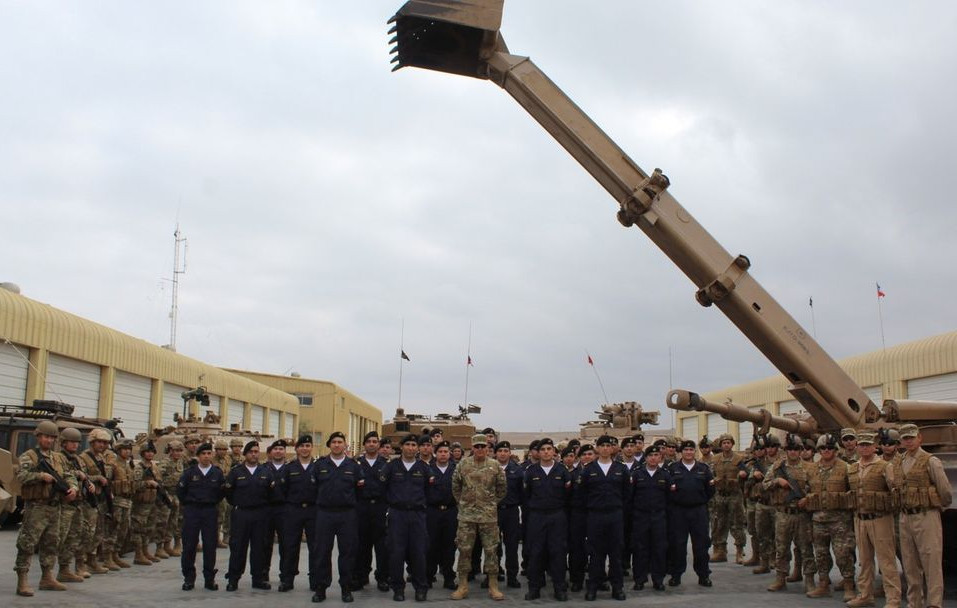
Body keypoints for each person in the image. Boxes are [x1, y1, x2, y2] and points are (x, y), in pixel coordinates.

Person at [14, 420, 78, 596]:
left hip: (55, 507)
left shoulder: (59, 457)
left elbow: (69, 475)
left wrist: (73, 488)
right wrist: (40, 476)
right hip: (36, 507)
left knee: (52, 543)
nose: (48, 440)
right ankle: (22, 580)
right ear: (38, 436)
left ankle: (47, 577)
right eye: (45, 436)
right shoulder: (29, 456)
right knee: (28, 543)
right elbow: (21, 476)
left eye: (51, 437)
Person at [894, 423, 952, 608]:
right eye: (905, 438)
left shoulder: (930, 461)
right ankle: (914, 602)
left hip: (926, 516)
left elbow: (945, 491)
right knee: (910, 564)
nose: (908, 441)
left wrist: (936, 506)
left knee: (931, 562)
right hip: (905, 517)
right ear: (901, 441)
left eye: (911, 437)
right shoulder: (900, 461)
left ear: (920, 438)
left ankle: (934, 603)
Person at [845, 431, 900, 608]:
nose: (864, 447)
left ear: (875, 446)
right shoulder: (853, 467)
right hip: (860, 518)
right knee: (865, 560)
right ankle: (865, 594)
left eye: (868, 444)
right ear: (857, 447)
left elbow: (895, 491)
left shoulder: (885, 466)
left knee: (886, 560)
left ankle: (893, 598)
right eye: (861, 445)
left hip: (880, 519)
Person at [450, 432, 507, 601]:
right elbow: (455, 487)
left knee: (491, 551)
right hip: (467, 517)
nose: (480, 449)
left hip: (488, 517)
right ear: (472, 448)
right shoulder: (463, 465)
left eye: (483, 446)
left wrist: (489, 503)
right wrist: (464, 503)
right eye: (477, 446)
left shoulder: (495, 465)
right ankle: (462, 585)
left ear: (488, 448)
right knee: (464, 550)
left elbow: (502, 489)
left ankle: (493, 585)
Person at [312, 431, 364, 603]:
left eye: (340, 442)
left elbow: (359, 490)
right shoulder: (320, 465)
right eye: (333, 442)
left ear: (345, 445)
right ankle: (320, 588)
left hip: (347, 514)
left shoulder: (354, 466)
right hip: (325, 513)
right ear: (329, 445)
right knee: (322, 552)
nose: (336, 444)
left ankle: (346, 588)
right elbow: (314, 489)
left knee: (348, 552)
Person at [381, 433, 433, 601]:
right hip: (397, 515)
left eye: (413, 445)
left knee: (418, 552)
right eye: (408, 444)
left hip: (417, 515)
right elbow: (383, 488)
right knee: (396, 552)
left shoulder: (423, 468)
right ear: (401, 447)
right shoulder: (391, 467)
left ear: (417, 448)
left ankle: (421, 587)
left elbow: (429, 491)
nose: (411, 448)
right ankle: (398, 588)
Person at [804, 433, 856, 601]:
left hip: (840, 520)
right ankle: (823, 585)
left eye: (830, 448)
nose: (826, 451)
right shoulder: (811, 469)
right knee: (821, 554)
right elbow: (806, 490)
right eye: (823, 448)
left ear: (835, 450)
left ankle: (849, 585)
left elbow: (853, 492)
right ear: (819, 450)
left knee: (843, 554)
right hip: (818, 519)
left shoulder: (845, 468)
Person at [579, 434, 629, 601]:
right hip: (595, 516)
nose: (606, 448)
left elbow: (627, 494)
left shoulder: (621, 469)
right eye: (603, 445)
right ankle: (593, 587)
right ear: (597, 449)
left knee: (616, 554)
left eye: (609, 445)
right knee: (595, 554)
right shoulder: (589, 469)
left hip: (615, 515)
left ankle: (617, 588)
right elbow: (583, 494)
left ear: (613, 448)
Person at [764, 434, 815, 593]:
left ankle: (809, 579)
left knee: (806, 547)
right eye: (790, 449)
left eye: (796, 449)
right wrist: (777, 481)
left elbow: (819, 489)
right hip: (783, 513)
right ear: (786, 450)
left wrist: (808, 499)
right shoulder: (778, 467)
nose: (793, 452)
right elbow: (765, 485)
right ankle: (780, 578)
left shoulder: (810, 468)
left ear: (801, 450)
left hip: (802, 514)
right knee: (782, 547)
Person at [522, 437, 571, 601]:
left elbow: (568, 495)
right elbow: (526, 496)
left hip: (557, 516)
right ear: (538, 452)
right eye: (542, 449)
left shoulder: (562, 471)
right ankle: (534, 588)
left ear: (554, 452)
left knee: (558, 552)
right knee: (536, 552)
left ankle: (559, 588)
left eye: (549, 449)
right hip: (537, 516)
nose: (546, 452)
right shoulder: (531, 471)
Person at [223, 440, 273, 592]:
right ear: (245, 454)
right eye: (251, 452)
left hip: (260, 514)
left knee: (259, 548)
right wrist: (239, 504)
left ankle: (257, 579)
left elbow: (271, 493)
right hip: (241, 514)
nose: (254, 454)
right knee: (238, 547)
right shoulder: (236, 472)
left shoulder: (265, 472)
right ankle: (233, 579)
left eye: (256, 451)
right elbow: (228, 493)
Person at [176, 441, 226, 591]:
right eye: (203, 454)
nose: (206, 456)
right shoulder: (190, 473)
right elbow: (181, 492)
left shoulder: (217, 473)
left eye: (208, 453)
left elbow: (221, 493)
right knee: (189, 545)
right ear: (198, 456)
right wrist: (189, 504)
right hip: (192, 511)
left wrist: (210, 503)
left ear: (211, 455)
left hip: (210, 511)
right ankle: (189, 578)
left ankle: (209, 579)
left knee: (210, 546)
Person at [668, 438, 715, 588]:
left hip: (698, 511)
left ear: (695, 452)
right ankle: (676, 575)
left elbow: (710, 490)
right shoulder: (672, 468)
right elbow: (668, 490)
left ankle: (703, 575)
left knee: (701, 545)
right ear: (681, 452)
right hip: (679, 512)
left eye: (691, 450)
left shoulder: (704, 469)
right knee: (678, 545)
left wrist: (698, 500)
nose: (688, 452)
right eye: (685, 450)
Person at [277, 434, 317, 592]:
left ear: (311, 448)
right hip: (293, 510)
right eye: (302, 446)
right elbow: (282, 489)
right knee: (290, 546)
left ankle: (315, 580)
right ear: (297, 448)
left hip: (313, 510)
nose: (305, 449)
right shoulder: (289, 468)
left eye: (308, 446)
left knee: (315, 547)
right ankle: (287, 579)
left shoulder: (319, 466)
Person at [631, 444, 671, 591]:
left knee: (659, 549)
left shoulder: (665, 475)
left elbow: (669, 497)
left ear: (660, 458)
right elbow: (631, 496)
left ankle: (658, 579)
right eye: (650, 456)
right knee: (640, 549)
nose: (653, 458)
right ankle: (639, 579)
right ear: (645, 458)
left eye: (656, 456)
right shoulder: (637, 474)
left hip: (659, 517)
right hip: (641, 516)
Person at [57, 427, 94, 582]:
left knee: (76, 536)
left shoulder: (78, 459)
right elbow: (61, 475)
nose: (74, 445)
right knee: (61, 537)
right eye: (71, 442)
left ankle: (69, 568)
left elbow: (85, 475)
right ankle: (60, 569)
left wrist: (89, 483)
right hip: (64, 504)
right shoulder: (58, 458)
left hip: (79, 503)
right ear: (63, 442)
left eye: (77, 442)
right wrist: (77, 475)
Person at [355, 431, 390, 592]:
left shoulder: (386, 464)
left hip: (380, 508)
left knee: (382, 546)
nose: (371, 444)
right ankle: (361, 576)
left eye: (375, 441)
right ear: (364, 444)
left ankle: (382, 577)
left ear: (378, 445)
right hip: (361, 508)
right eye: (368, 441)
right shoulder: (356, 464)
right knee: (362, 545)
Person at [78, 428, 115, 574]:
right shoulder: (83, 457)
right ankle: (81, 563)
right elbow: (81, 476)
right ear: (92, 442)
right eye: (99, 442)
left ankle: (92, 560)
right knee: (87, 532)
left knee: (98, 532)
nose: (102, 445)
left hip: (100, 499)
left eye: (105, 442)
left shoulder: (102, 458)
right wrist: (97, 479)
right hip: (88, 499)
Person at [709, 433, 747, 564]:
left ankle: (739, 551)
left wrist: (743, 474)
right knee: (719, 523)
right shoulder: (715, 459)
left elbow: (745, 472)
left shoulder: (739, 459)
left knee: (737, 524)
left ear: (732, 444)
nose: (726, 445)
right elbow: (711, 474)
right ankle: (720, 551)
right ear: (720, 445)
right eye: (724, 443)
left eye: (728, 442)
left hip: (734, 495)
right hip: (720, 495)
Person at [427, 440, 458, 590]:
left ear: (449, 453)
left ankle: (448, 577)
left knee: (449, 546)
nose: (443, 454)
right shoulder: (428, 469)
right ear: (435, 453)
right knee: (431, 545)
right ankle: (429, 575)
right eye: (440, 452)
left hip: (451, 512)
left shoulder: (457, 469)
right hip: (432, 512)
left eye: (446, 451)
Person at [494, 440, 523, 589]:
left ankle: (512, 576)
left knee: (511, 546)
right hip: (493, 511)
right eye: (500, 451)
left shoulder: (517, 470)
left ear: (510, 453)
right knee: (492, 546)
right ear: (495, 453)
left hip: (511, 511)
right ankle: (492, 575)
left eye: (506, 451)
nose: (503, 453)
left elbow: (522, 492)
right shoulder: (489, 468)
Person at [567, 443, 593, 592]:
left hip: (595, 514)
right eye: (584, 455)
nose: (587, 457)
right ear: (580, 457)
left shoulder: (600, 472)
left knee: (597, 549)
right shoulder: (573, 474)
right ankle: (577, 579)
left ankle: (598, 578)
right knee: (577, 549)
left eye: (590, 454)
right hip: (577, 515)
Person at [132, 440, 162, 566]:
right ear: (142, 453)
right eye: (147, 452)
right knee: (139, 528)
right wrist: (147, 483)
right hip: (142, 503)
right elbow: (135, 484)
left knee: (149, 528)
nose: (150, 454)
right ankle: (138, 554)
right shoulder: (139, 468)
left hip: (152, 501)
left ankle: (145, 551)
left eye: (151, 452)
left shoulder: (154, 467)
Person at [262, 439, 287, 585]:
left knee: (286, 544)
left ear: (284, 452)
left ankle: (285, 574)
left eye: (281, 449)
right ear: (271, 452)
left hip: (284, 510)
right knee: (265, 543)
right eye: (275, 449)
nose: (278, 451)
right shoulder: (263, 469)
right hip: (267, 509)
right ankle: (264, 571)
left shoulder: (290, 469)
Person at [157, 440, 186, 559]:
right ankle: (159, 547)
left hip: (176, 494)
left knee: (173, 521)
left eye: (180, 451)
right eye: (175, 451)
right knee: (162, 521)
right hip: (166, 495)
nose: (178, 453)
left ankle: (167, 544)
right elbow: (158, 476)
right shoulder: (165, 462)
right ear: (170, 451)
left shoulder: (179, 462)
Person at [110, 438, 135, 567]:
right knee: (114, 528)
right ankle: (108, 556)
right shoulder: (113, 464)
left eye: (129, 450)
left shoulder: (128, 465)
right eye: (124, 449)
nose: (127, 452)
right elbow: (108, 482)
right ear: (118, 450)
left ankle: (116, 554)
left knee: (123, 529)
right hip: (117, 500)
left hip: (127, 500)